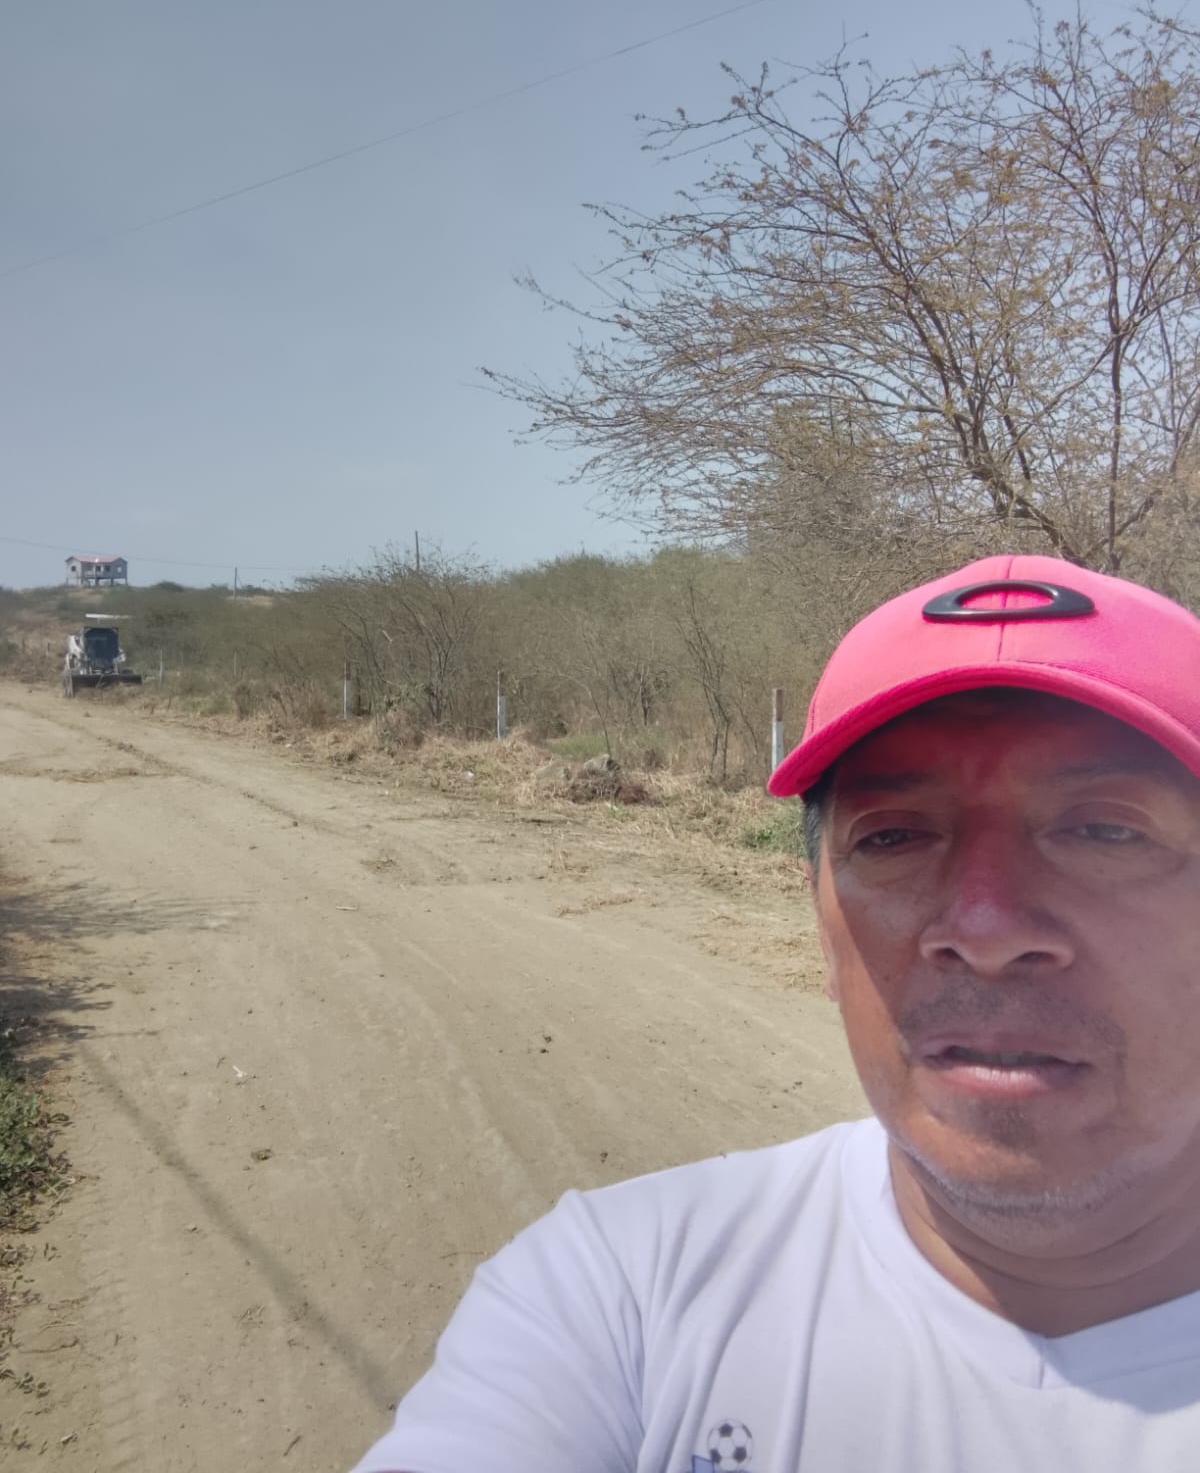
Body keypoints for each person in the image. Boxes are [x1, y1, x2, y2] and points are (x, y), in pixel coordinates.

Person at [352, 554, 1200, 1472]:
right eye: (894, 836)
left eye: (1107, 829)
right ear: (821, 922)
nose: (985, 929)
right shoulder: (621, 1295)